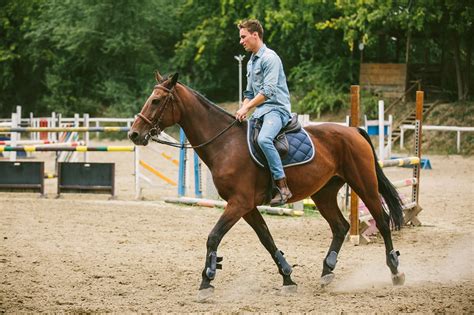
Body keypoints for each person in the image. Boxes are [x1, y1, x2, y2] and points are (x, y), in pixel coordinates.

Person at [235, 19, 292, 206]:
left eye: (243, 37)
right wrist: (243, 109)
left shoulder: (270, 58)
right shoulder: (251, 62)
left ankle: (282, 187)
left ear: (255, 35)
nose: (241, 41)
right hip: (260, 112)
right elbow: (249, 93)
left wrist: (247, 107)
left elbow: (268, 91)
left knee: (264, 140)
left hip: (277, 109)